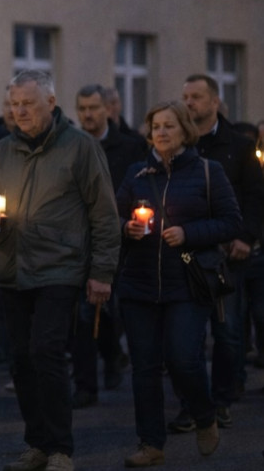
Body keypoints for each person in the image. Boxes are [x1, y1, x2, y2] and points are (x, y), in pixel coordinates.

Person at [0, 70, 120, 471]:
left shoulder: (81, 147)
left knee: (47, 352)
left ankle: (60, 448)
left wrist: (102, 272)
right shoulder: (3, 150)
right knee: (20, 359)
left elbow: (104, 215)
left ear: (51, 104)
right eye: (14, 104)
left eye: (28, 103)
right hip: (11, 267)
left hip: (60, 267)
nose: (19, 111)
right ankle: (36, 443)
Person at [113, 101, 239, 467]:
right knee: (145, 367)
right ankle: (151, 443)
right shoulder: (137, 173)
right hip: (139, 283)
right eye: (155, 127)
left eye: (169, 126)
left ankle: (204, 414)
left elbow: (232, 222)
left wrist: (189, 233)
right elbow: (115, 216)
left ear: (185, 130)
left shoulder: (207, 171)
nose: (161, 132)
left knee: (183, 358)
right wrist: (127, 227)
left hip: (186, 281)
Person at [174, 74, 264, 431]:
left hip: (229, 252)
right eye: (185, 96)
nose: (189, 103)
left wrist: (246, 237)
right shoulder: (180, 146)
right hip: (188, 250)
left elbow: (256, 196)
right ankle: (192, 405)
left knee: (226, 331)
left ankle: (223, 399)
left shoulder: (238, 146)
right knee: (187, 336)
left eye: (196, 96)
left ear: (214, 101)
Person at [69, 84, 146, 409]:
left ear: (108, 110)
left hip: (123, 240)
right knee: (82, 315)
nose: (87, 114)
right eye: (82, 108)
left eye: (93, 108)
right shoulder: (70, 146)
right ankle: (86, 384)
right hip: (80, 240)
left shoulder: (129, 147)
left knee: (112, 310)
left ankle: (113, 355)